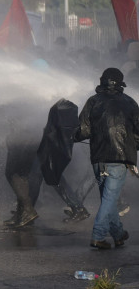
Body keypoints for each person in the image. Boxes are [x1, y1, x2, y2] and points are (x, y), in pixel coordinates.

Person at [73, 67, 139, 249]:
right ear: (120, 84)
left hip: (99, 158)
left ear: (102, 81)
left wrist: (73, 136)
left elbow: (82, 130)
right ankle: (98, 236)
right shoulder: (130, 103)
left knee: (108, 200)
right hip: (120, 159)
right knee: (110, 200)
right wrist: (133, 147)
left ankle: (118, 234)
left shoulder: (93, 101)